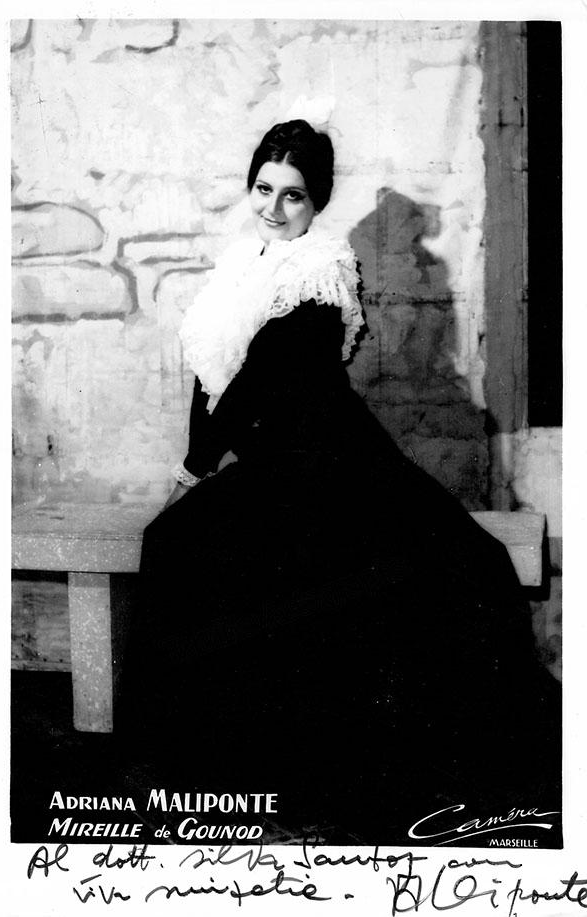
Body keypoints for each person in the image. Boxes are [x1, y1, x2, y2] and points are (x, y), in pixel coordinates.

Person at [119, 120, 560, 841]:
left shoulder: (322, 274)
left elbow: (259, 383)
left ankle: (320, 766)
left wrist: (195, 473)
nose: (273, 207)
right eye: (263, 189)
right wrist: (189, 472)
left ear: (316, 201)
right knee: (175, 544)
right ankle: (203, 753)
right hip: (274, 463)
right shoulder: (242, 265)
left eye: (292, 195)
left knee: (385, 572)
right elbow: (209, 379)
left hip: (332, 462)